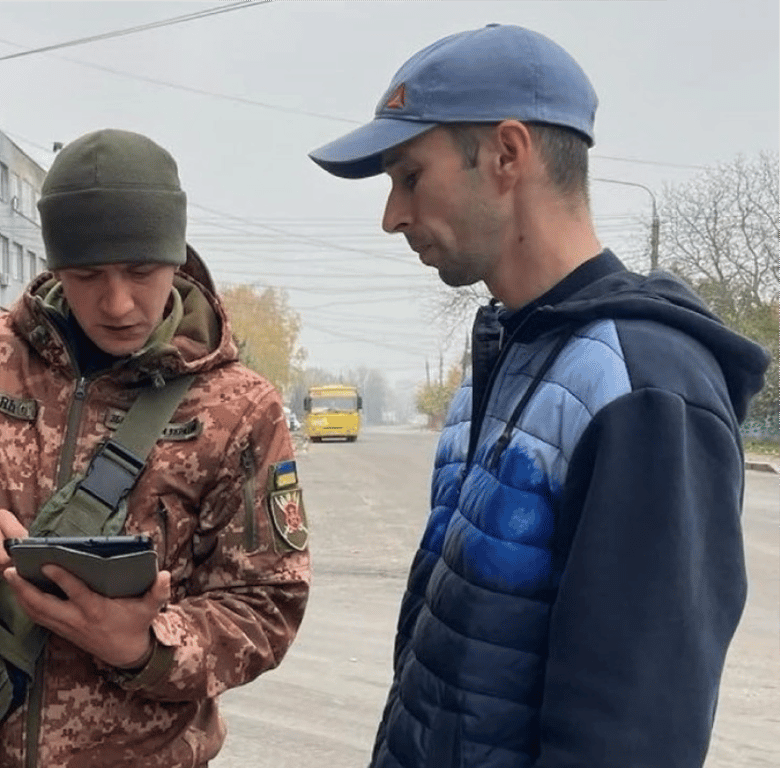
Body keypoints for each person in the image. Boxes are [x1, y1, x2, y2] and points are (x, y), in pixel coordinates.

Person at [308, 23, 770, 768]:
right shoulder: (509, 355)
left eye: (409, 176)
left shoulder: (645, 390)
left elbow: (629, 740)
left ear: (507, 154)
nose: (391, 215)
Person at [0, 128, 311, 767]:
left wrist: (147, 646)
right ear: (54, 265)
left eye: (141, 270)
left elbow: (268, 601)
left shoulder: (237, 407)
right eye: (86, 274)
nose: (118, 301)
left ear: (176, 258)